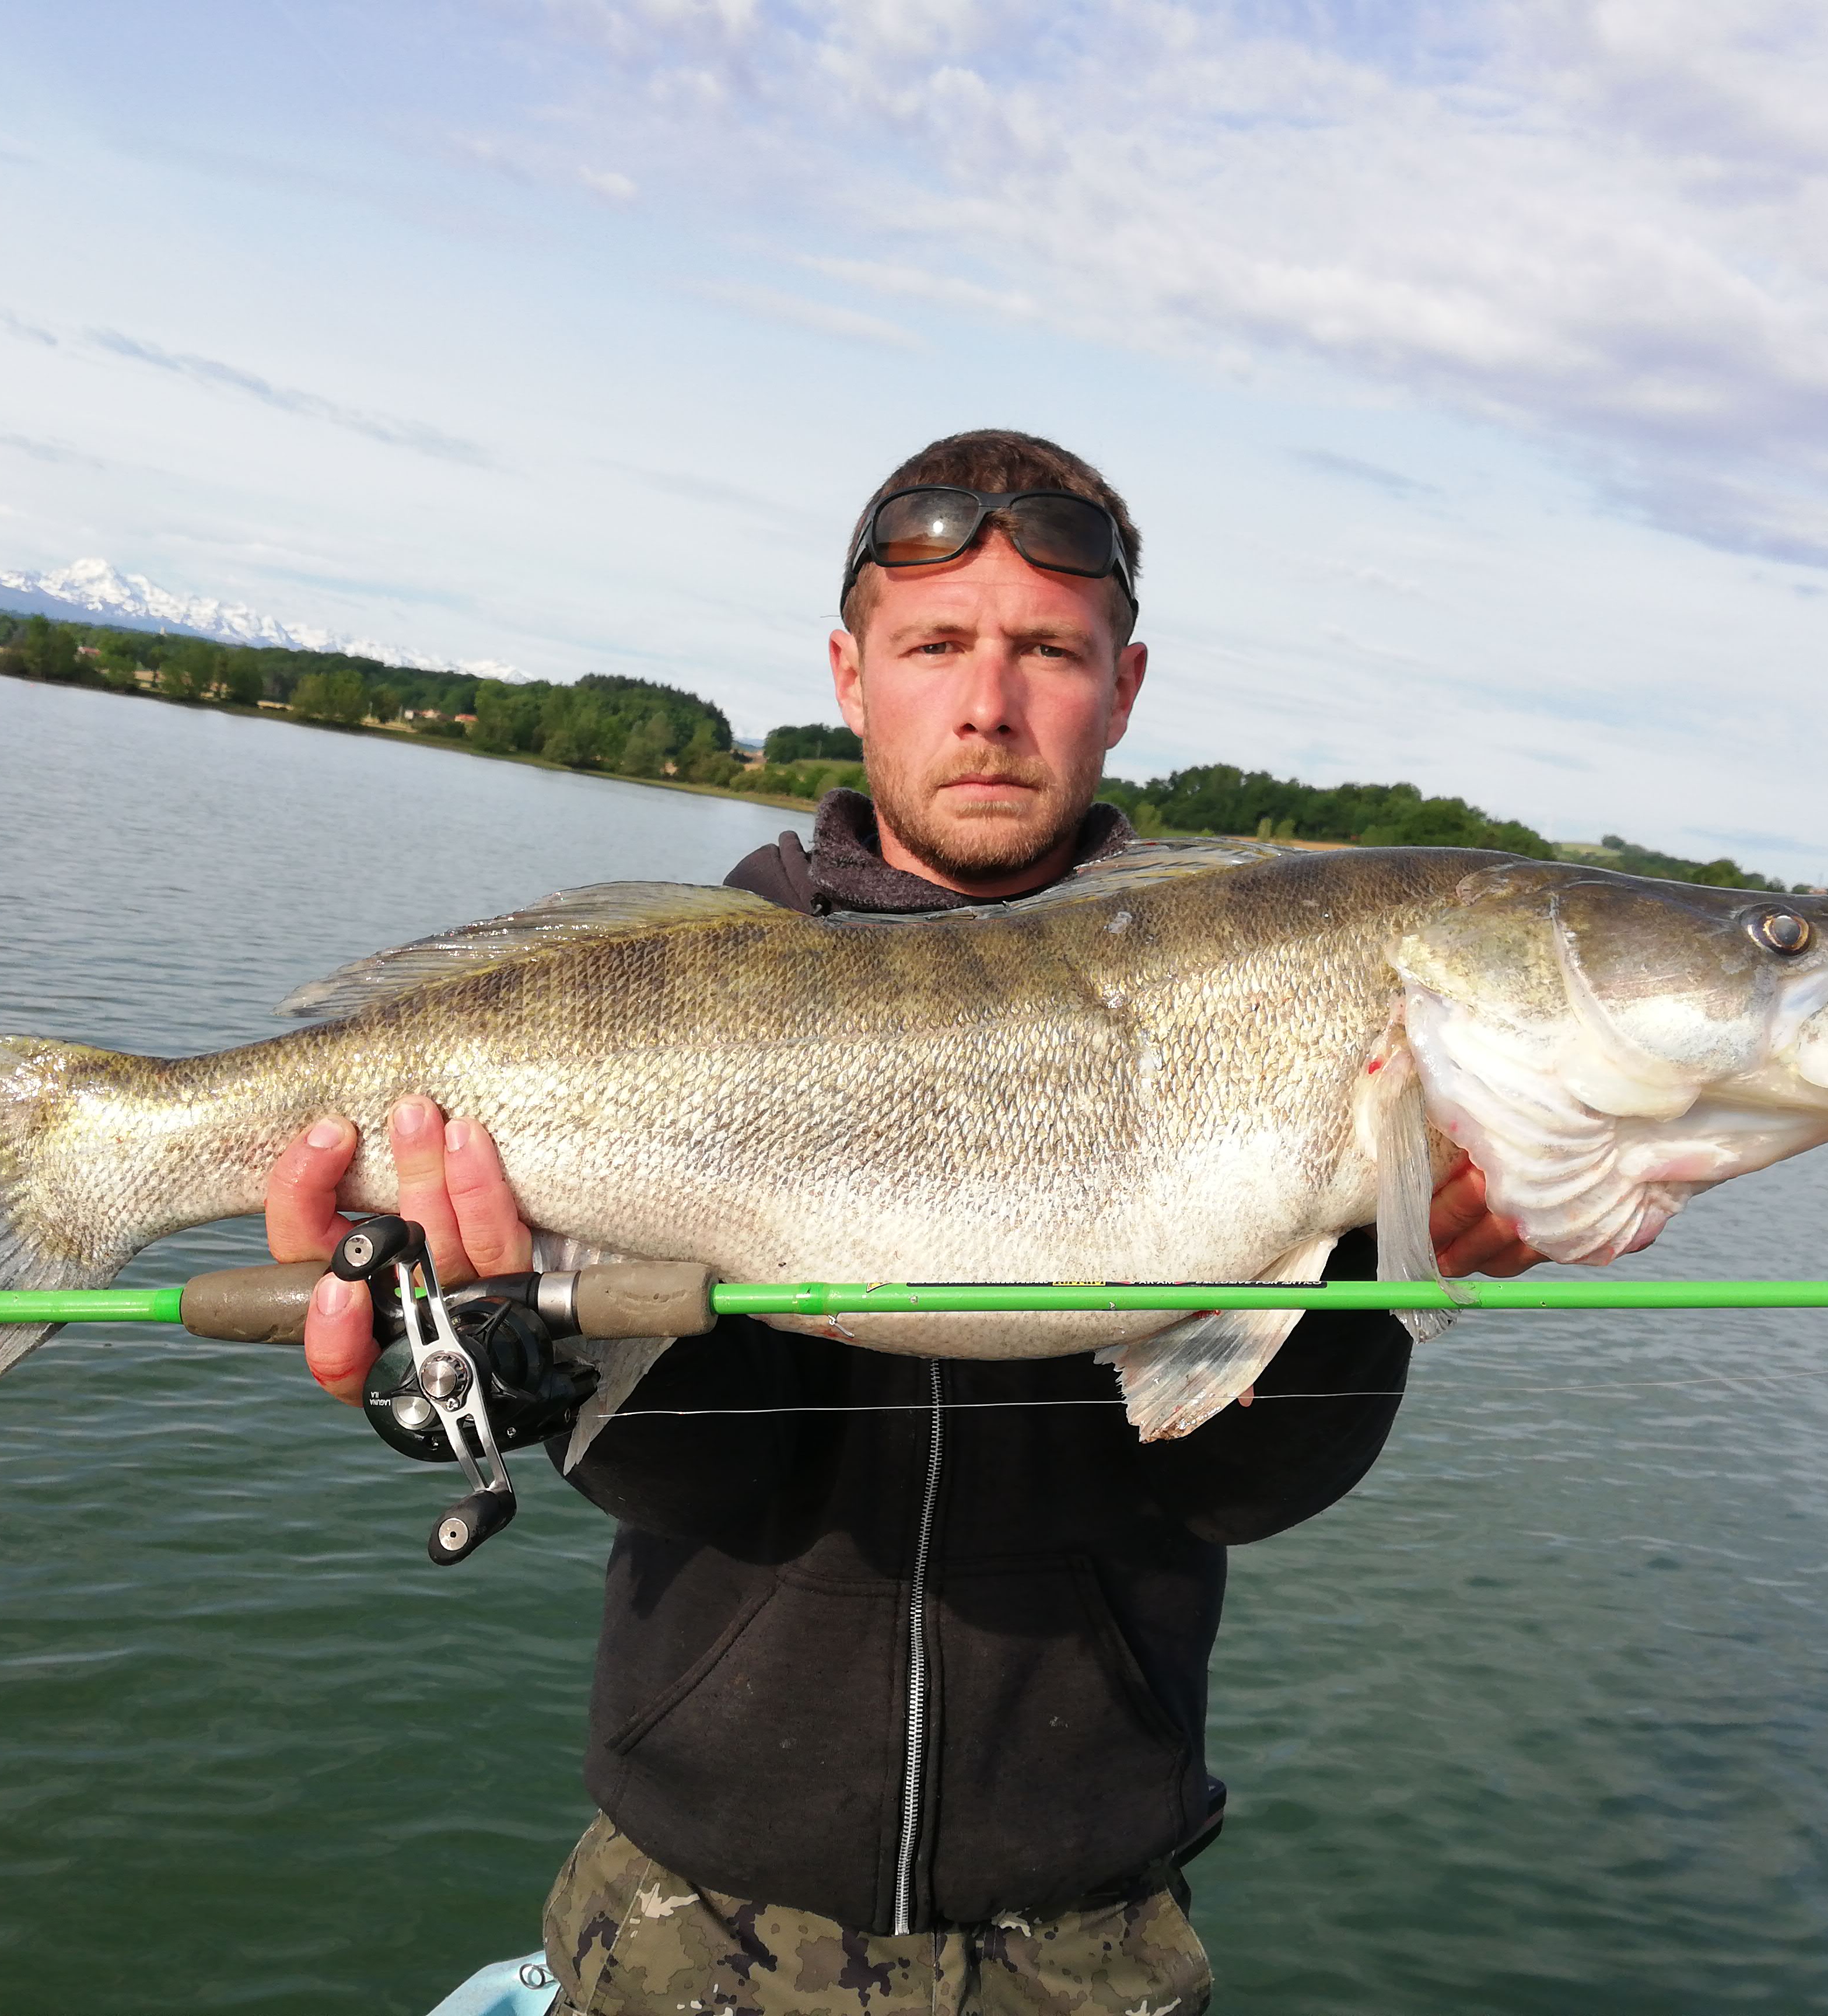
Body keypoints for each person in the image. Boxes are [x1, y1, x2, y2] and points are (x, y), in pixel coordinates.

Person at [264, 431, 1546, 2015]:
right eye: (935, 645)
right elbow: (701, 1487)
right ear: (850, 675)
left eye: (1049, 653)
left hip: (1090, 1932)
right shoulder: (723, 950)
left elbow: (1237, 1489)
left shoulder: (1280, 988)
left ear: (1124, 689)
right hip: (687, 1904)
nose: (988, 703)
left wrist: (1379, 1259)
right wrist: (513, 1348)